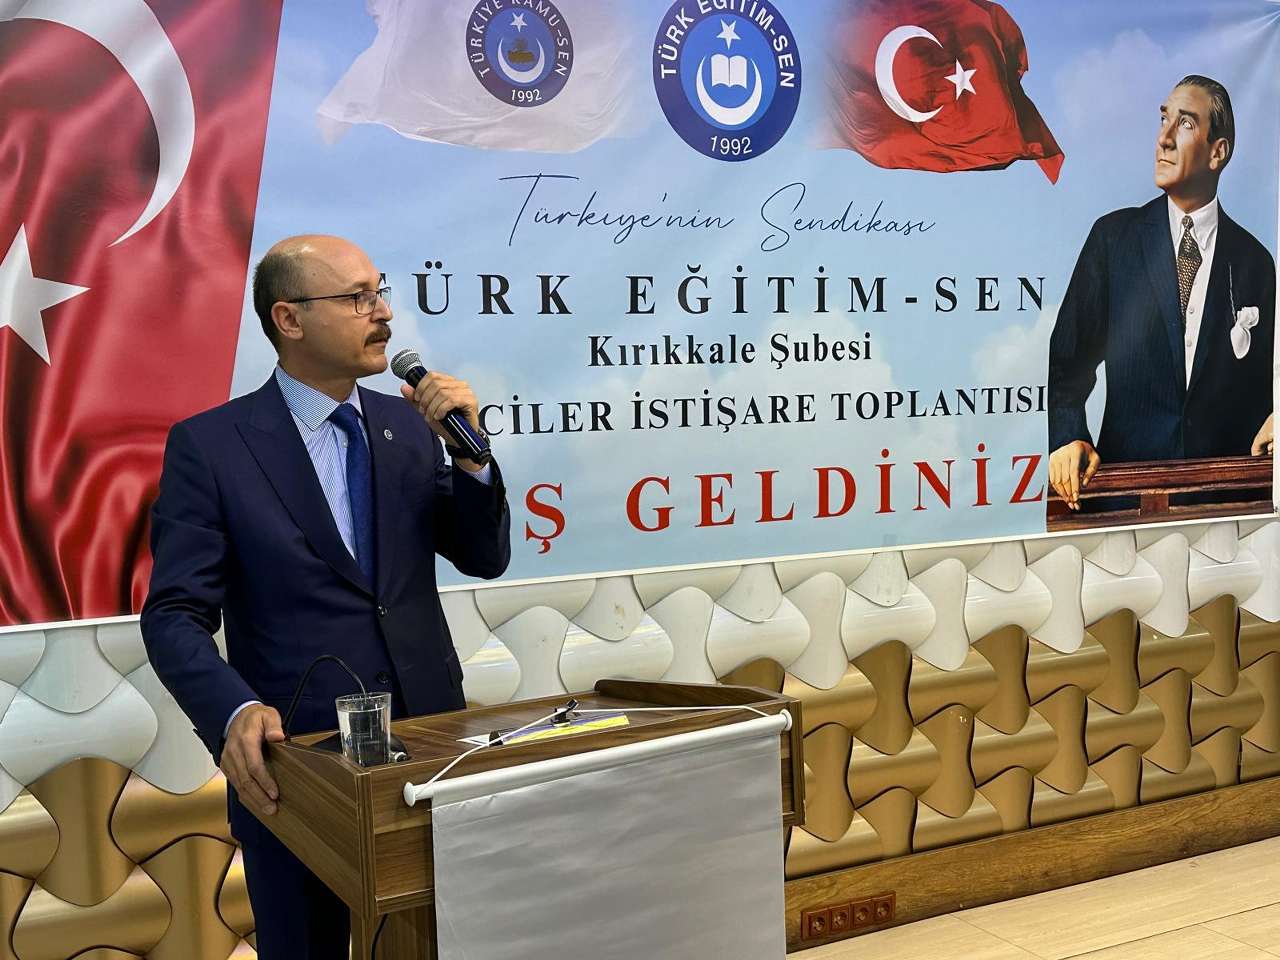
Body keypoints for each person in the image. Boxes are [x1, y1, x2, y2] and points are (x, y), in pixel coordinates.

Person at [140, 235, 510, 958]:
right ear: (289, 319)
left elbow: (483, 557)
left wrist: (471, 457)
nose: (384, 313)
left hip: (431, 749)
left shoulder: (410, 428)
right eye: (357, 298)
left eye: (380, 292)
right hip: (298, 772)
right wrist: (234, 711)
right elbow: (174, 615)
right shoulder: (213, 447)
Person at [1048, 75, 1275, 509]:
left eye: (1185, 123)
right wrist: (1068, 435)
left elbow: (1272, 378)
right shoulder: (1112, 240)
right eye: (1164, 119)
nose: (1164, 138)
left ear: (1217, 152)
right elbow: (1068, 363)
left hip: (1229, 504)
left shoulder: (1256, 263)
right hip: (1124, 500)